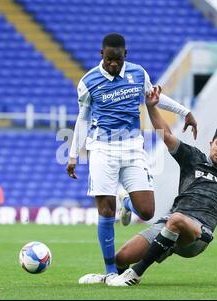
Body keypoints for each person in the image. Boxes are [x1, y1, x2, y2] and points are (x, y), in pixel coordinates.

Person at [106, 86, 217, 286]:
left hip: (197, 235)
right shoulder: (193, 158)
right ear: (211, 142)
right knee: (121, 257)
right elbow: (167, 135)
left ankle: (136, 273)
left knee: (177, 219)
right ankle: (114, 278)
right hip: (167, 223)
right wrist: (151, 107)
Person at [66, 33, 198, 284]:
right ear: (101, 55)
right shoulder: (88, 81)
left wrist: (185, 112)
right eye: (108, 60)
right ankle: (110, 272)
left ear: (125, 55)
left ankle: (126, 202)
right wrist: (74, 155)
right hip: (102, 149)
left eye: (117, 60)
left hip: (132, 147)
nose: (113, 65)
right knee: (105, 210)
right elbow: (82, 118)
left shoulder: (138, 74)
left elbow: (155, 98)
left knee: (147, 212)